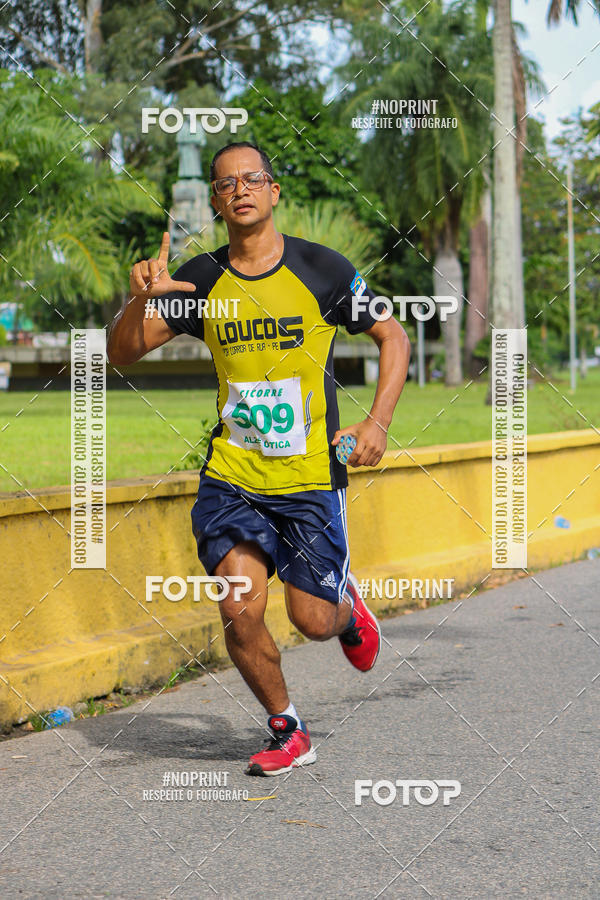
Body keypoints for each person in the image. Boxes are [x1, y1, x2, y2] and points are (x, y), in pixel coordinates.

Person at [107, 141, 410, 777]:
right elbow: (123, 354)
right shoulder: (201, 279)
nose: (240, 190)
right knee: (238, 606)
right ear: (216, 202)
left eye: (253, 180)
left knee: (313, 620)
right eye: (226, 185)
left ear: (273, 192)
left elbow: (393, 334)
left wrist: (378, 421)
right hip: (233, 477)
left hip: (309, 478)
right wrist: (140, 297)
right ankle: (287, 727)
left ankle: (346, 608)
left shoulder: (321, 270)